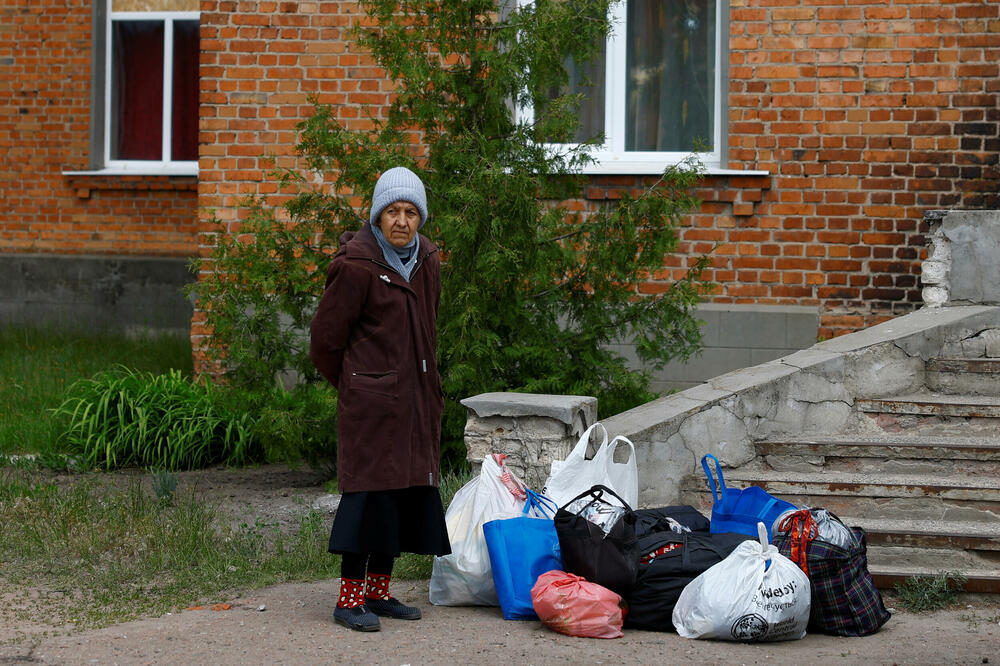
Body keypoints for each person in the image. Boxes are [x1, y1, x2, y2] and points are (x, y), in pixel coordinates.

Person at [309, 166, 451, 632]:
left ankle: (379, 591)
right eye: (393, 211)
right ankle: (349, 598)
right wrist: (358, 384)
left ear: (420, 218)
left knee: (402, 494)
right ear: (377, 215)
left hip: (415, 401)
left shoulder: (427, 259)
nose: (402, 221)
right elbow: (326, 343)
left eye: (411, 212)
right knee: (368, 498)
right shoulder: (355, 266)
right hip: (371, 406)